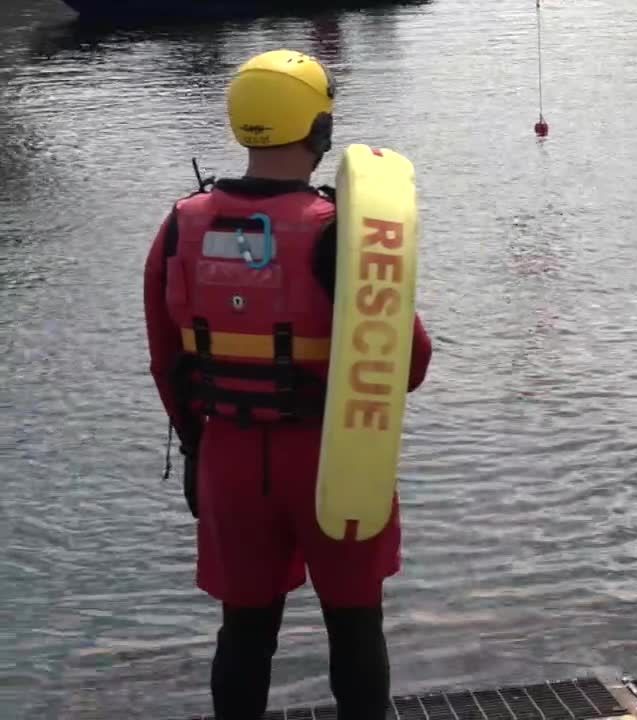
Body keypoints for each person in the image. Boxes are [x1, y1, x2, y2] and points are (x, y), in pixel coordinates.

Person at [142, 49, 433, 720]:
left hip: (229, 457)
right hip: (336, 456)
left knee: (244, 632)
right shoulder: (345, 236)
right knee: (355, 625)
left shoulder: (182, 224)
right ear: (321, 130)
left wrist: (197, 447)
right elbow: (408, 362)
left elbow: (166, 360)